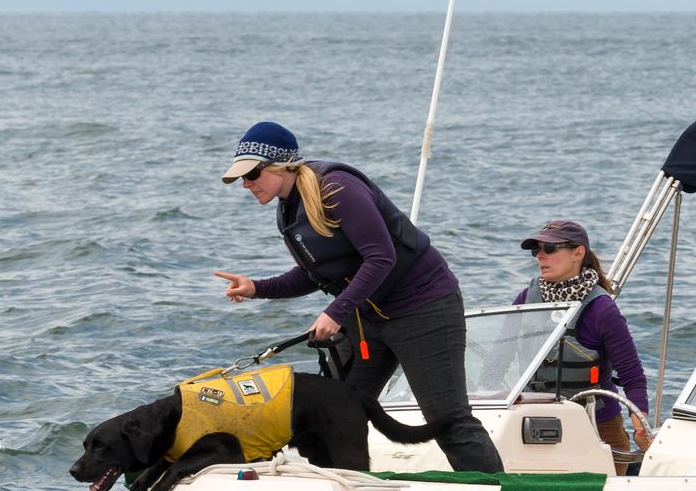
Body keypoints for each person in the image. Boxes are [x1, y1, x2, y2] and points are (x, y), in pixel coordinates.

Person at [214, 121, 503, 473]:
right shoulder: (288, 207)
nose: (246, 184)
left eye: (252, 174)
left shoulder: (338, 188)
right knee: (330, 411)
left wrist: (336, 311)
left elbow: (382, 257)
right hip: (366, 317)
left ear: (282, 166)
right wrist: (258, 287)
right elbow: (314, 273)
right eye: (241, 178)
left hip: (424, 309)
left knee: (448, 418)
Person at [514, 220, 651, 475]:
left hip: (598, 428)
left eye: (550, 248)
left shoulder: (602, 310)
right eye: (537, 250)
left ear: (578, 253)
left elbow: (632, 376)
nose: (540, 255)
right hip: (534, 423)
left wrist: (640, 422)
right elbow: (497, 363)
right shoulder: (525, 300)